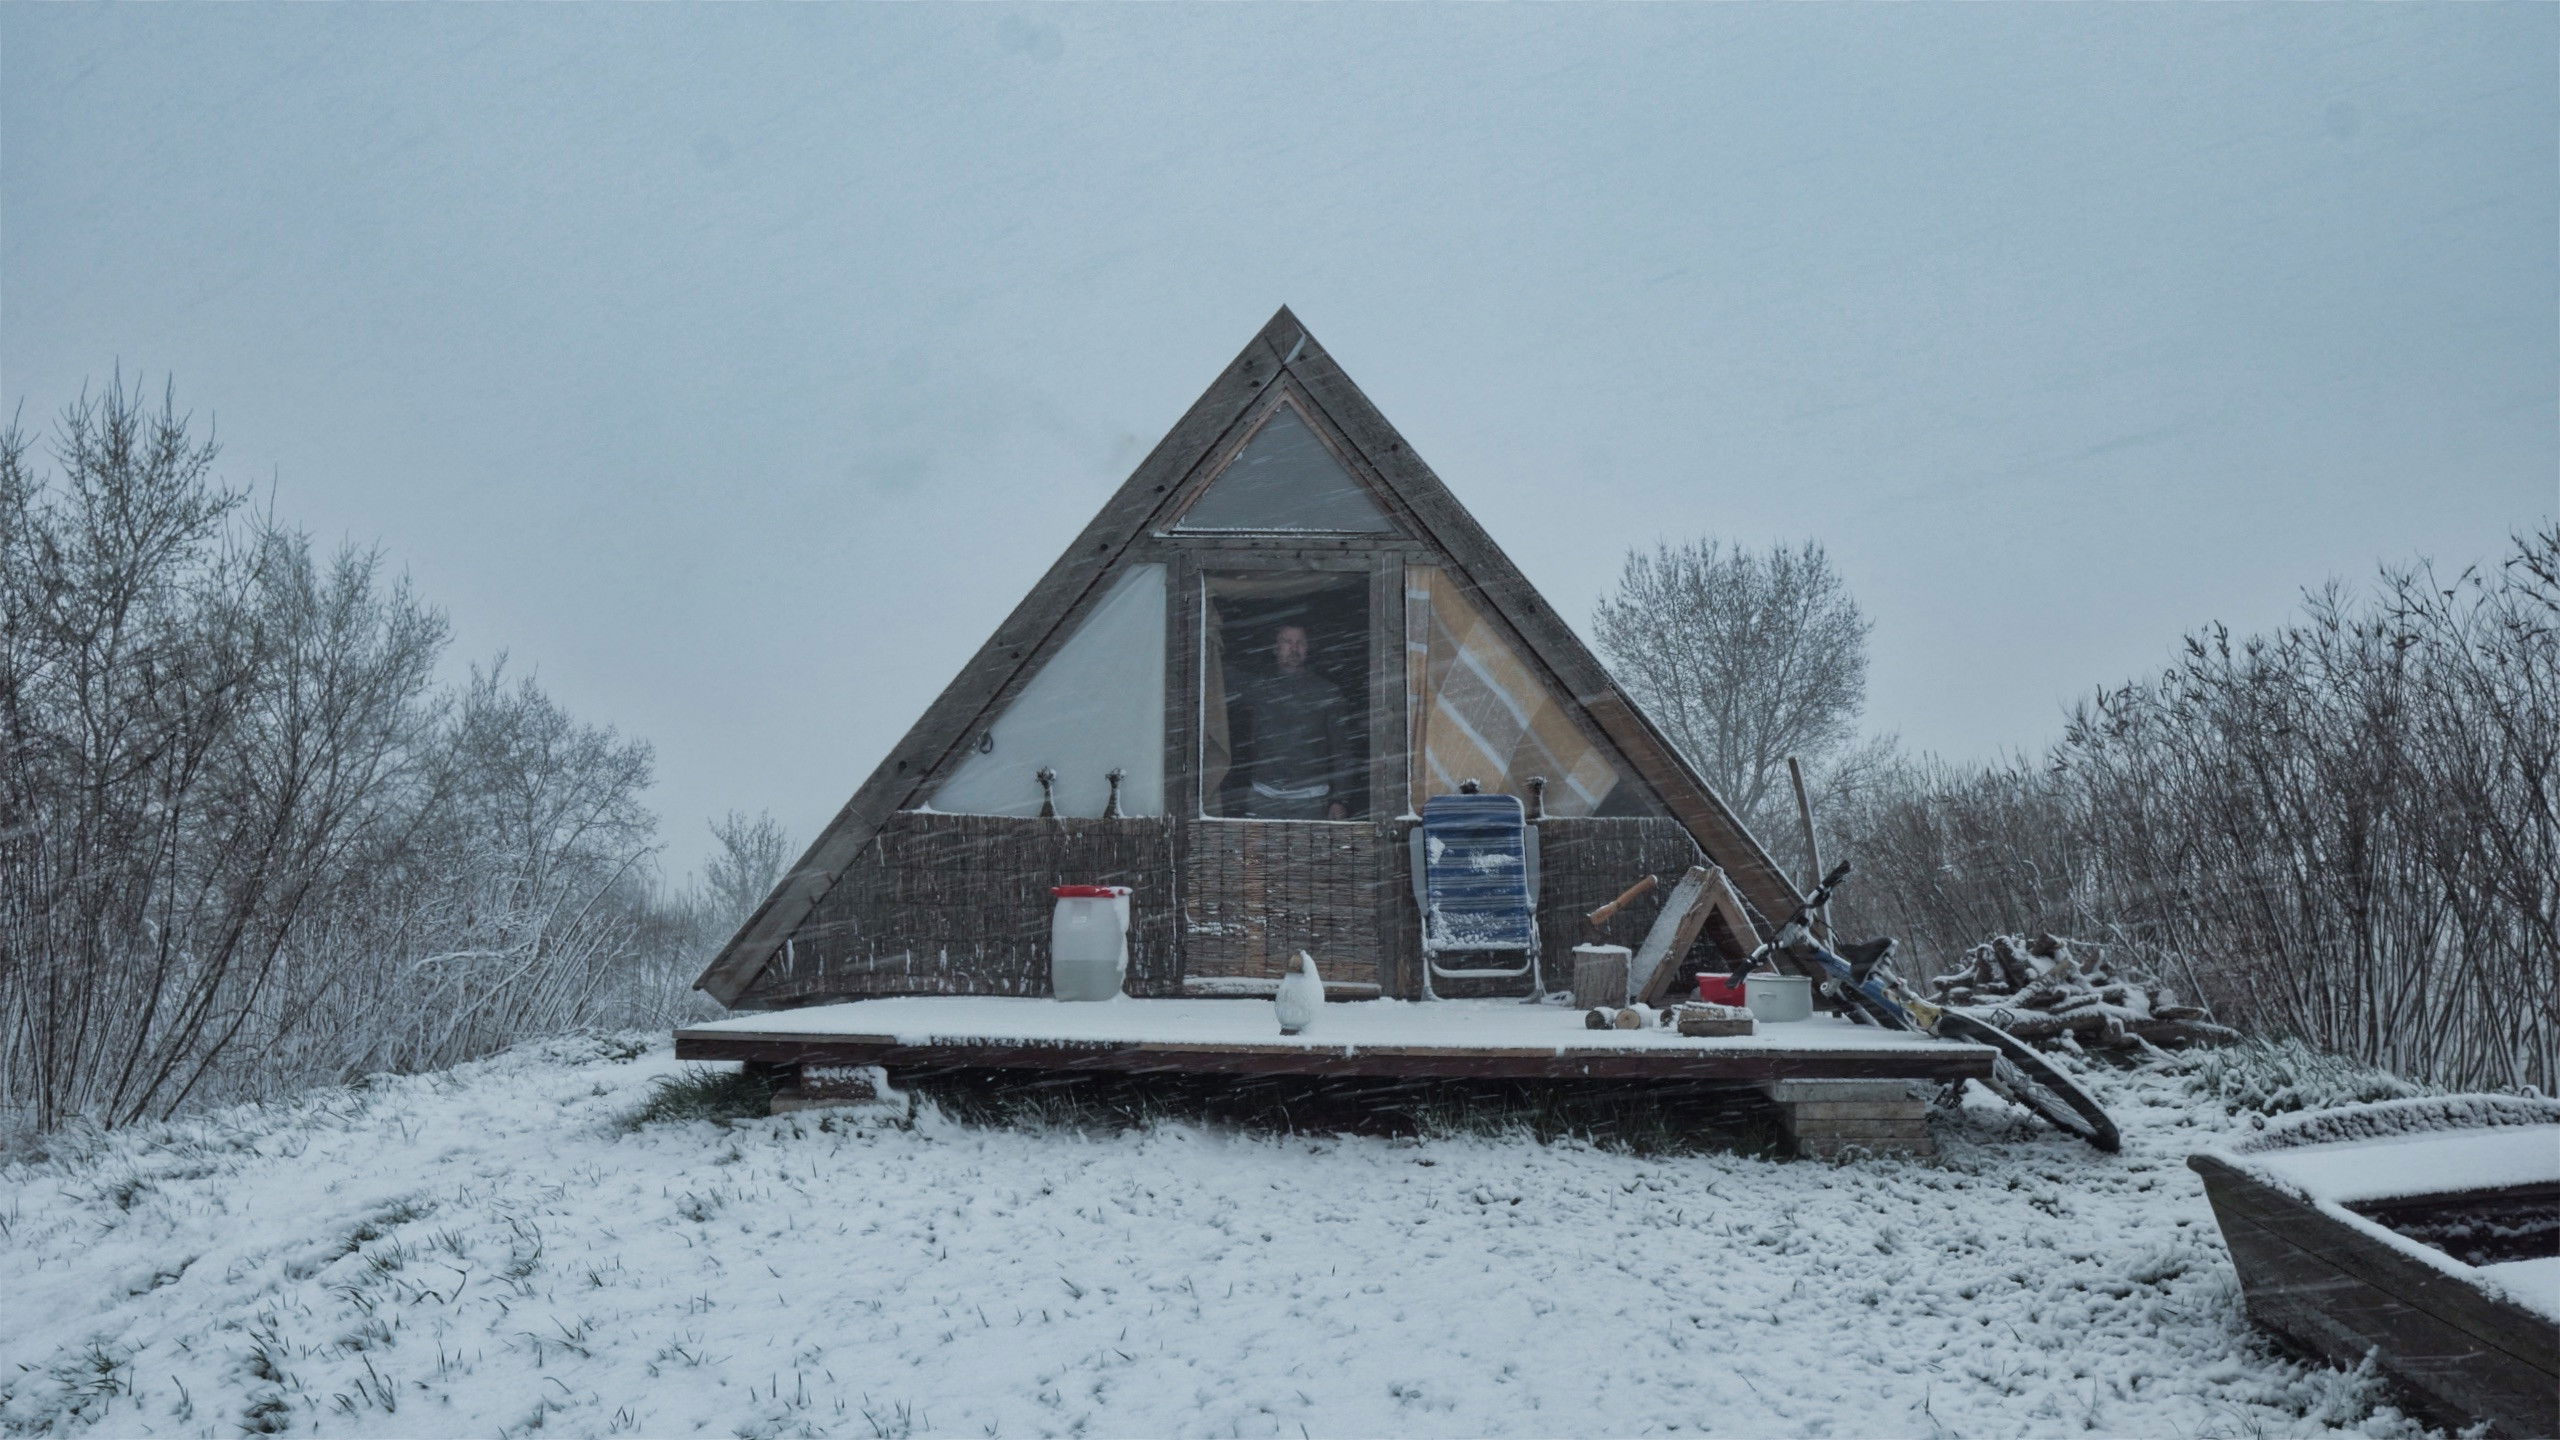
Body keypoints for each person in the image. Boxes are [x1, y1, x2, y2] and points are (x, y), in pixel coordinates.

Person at [1226, 622, 1354, 820]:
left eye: (1300, 643)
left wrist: (1340, 799)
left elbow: (1341, 750)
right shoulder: (1258, 688)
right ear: (1275, 648)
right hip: (1264, 796)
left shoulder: (1326, 692)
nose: (1294, 648)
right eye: (1287, 642)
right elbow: (1221, 675)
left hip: (1311, 800)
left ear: (1307, 648)